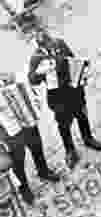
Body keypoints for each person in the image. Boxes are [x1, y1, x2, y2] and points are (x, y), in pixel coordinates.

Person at [28, 29, 101, 170]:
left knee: (82, 114)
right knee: (63, 125)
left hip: (74, 89)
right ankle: (70, 151)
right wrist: (40, 72)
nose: (49, 46)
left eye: (49, 42)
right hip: (57, 96)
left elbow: (73, 59)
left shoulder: (60, 43)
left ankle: (88, 138)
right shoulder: (36, 58)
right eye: (45, 45)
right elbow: (32, 80)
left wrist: (83, 69)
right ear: (39, 45)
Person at [0, 71, 60, 205]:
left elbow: (15, 80)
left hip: (26, 120)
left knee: (36, 146)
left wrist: (10, 80)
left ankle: (43, 171)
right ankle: (24, 189)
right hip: (9, 132)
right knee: (18, 162)